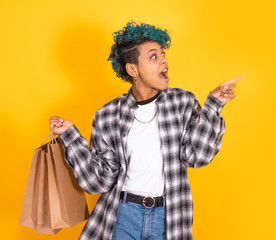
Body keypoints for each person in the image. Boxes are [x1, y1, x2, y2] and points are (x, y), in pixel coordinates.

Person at [49, 21, 243, 240]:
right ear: (133, 69)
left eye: (163, 54)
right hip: (123, 215)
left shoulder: (182, 102)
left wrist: (213, 106)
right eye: (153, 56)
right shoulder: (108, 114)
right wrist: (70, 136)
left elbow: (196, 156)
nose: (164, 60)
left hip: (168, 216)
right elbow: (99, 181)